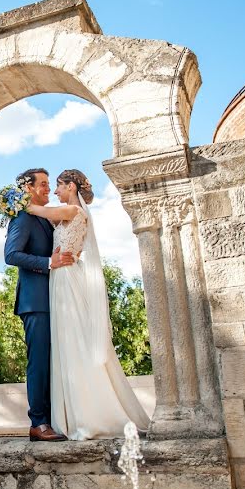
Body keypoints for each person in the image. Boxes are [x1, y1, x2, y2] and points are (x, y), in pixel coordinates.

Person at [25, 169, 150, 439]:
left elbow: (38, 211)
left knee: (72, 341)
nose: (55, 192)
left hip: (66, 277)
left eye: (57, 186)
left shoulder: (72, 212)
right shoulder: (71, 213)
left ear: (70, 187)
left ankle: (87, 415)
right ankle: (71, 412)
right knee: (67, 342)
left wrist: (19, 199)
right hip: (61, 277)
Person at [4, 168, 74, 442]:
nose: (48, 188)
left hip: (54, 298)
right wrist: (48, 263)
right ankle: (38, 423)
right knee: (39, 363)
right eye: (43, 184)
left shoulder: (44, 219)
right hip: (35, 302)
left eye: (48, 184)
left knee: (54, 361)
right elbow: (11, 255)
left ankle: (55, 418)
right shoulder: (23, 217)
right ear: (29, 188)